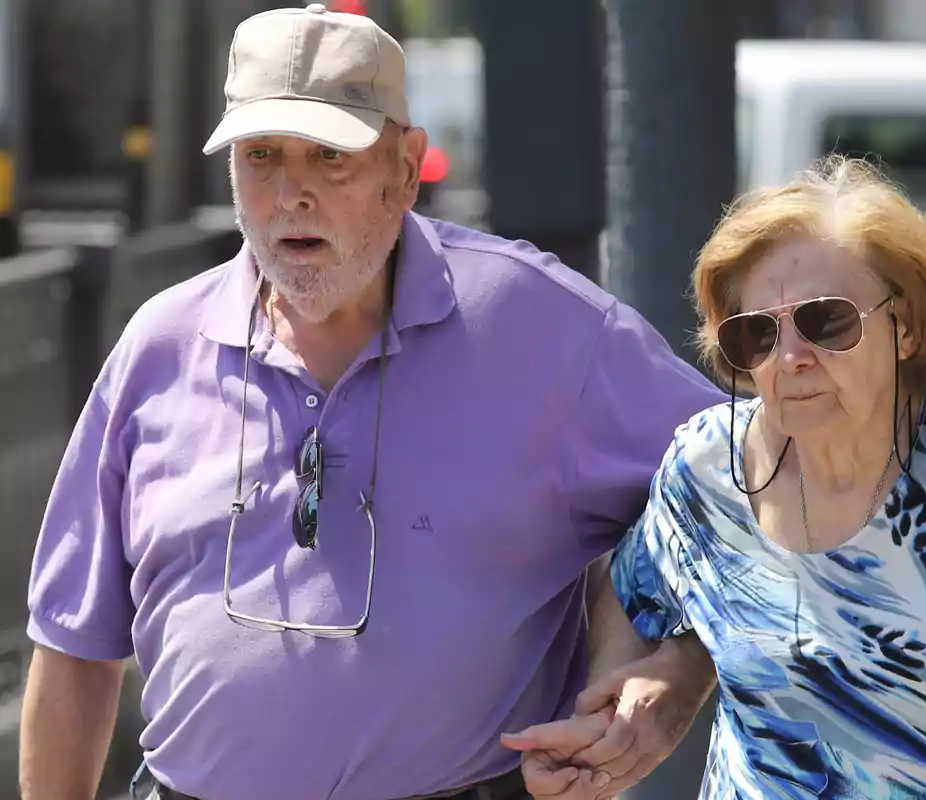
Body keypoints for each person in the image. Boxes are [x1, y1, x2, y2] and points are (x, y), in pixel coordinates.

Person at [18, 5, 723, 799]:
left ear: (404, 163)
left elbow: (744, 490)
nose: (292, 193)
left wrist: (678, 675)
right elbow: (74, 646)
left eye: (330, 156)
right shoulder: (160, 345)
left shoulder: (539, 322)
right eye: (261, 156)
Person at [517, 157, 926, 798]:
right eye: (756, 335)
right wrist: (623, 699)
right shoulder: (705, 470)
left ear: (906, 326)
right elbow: (636, 592)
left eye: (826, 321)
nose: (790, 358)